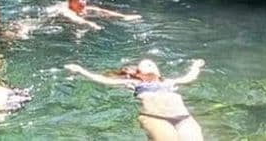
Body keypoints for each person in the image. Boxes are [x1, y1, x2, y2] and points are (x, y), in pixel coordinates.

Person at [64, 59, 206, 141]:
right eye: (145, 65)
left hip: (183, 118)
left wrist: (196, 66)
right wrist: (81, 70)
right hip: (156, 118)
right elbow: (105, 80)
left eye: (151, 64)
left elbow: (189, 77)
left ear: (159, 72)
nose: (149, 65)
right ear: (139, 74)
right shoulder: (136, 83)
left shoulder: (169, 82)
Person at [47, 0, 142, 30]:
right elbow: (75, 19)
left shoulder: (83, 9)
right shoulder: (67, 11)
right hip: (53, 19)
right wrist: (90, 24)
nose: (81, 2)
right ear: (70, 3)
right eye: (77, 0)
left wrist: (124, 17)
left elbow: (101, 11)